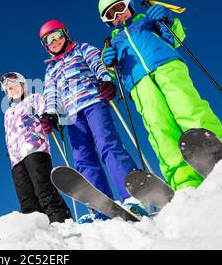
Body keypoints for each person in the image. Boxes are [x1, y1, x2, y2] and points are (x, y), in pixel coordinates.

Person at [97, 0, 222, 190]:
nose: (118, 16)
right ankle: (183, 179)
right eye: (110, 15)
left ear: (129, 4)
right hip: (138, 83)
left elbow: (177, 37)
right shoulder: (114, 42)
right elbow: (113, 75)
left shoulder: (146, 21)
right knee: (158, 126)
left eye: (119, 8)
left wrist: (168, 20)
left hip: (166, 66)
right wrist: (110, 64)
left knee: (188, 108)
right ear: (107, 21)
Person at [38, 20, 148, 221]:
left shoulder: (82, 48)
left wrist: (106, 80)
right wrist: (50, 114)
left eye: (57, 35)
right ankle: (100, 207)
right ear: (45, 46)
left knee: (107, 144)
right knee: (82, 159)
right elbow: (51, 93)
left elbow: (98, 63)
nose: (54, 41)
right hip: (71, 116)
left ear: (66, 34)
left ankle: (132, 196)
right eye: (48, 39)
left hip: (93, 101)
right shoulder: (50, 69)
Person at [1, 71, 71, 223]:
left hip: (35, 148)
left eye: (15, 85)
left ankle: (61, 221)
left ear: (23, 86)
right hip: (15, 158)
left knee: (43, 188)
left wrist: (49, 120)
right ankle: (36, 229)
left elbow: (50, 113)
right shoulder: (7, 113)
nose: (13, 89)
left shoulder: (34, 99)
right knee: (25, 197)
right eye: (9, 88)